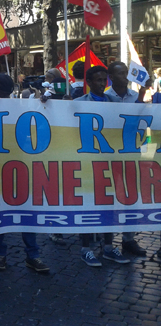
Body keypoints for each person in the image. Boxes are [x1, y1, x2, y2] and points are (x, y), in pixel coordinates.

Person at [0, 74, 50, 273]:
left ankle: (33, 255)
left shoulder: (16, 106)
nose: (0, 96)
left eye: (4, 93)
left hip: (18, 167)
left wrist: (46, 105)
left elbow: (35, 126)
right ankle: (0, 254)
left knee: (27, 211)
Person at [75, 66, 130, 267]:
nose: (102, 84)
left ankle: (107, 247)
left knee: (109, 205)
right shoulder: (77, 104)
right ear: (88, 82)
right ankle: (86, 248)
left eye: (103, 80)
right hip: (88, 164)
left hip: (110, 163)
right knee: (88, 204)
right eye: (97, 80)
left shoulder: (113, 102)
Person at [105, 61, 148, 257]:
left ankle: (128, 239)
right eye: (120, 73)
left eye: (126, 72)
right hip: (109, 154)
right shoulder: (104, 97)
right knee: (109, 197)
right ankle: (106, 241)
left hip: (132, 153)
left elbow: (145, 122)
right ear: (112, 77)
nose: (125, 76)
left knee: (131, 196)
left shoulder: (135, 96)